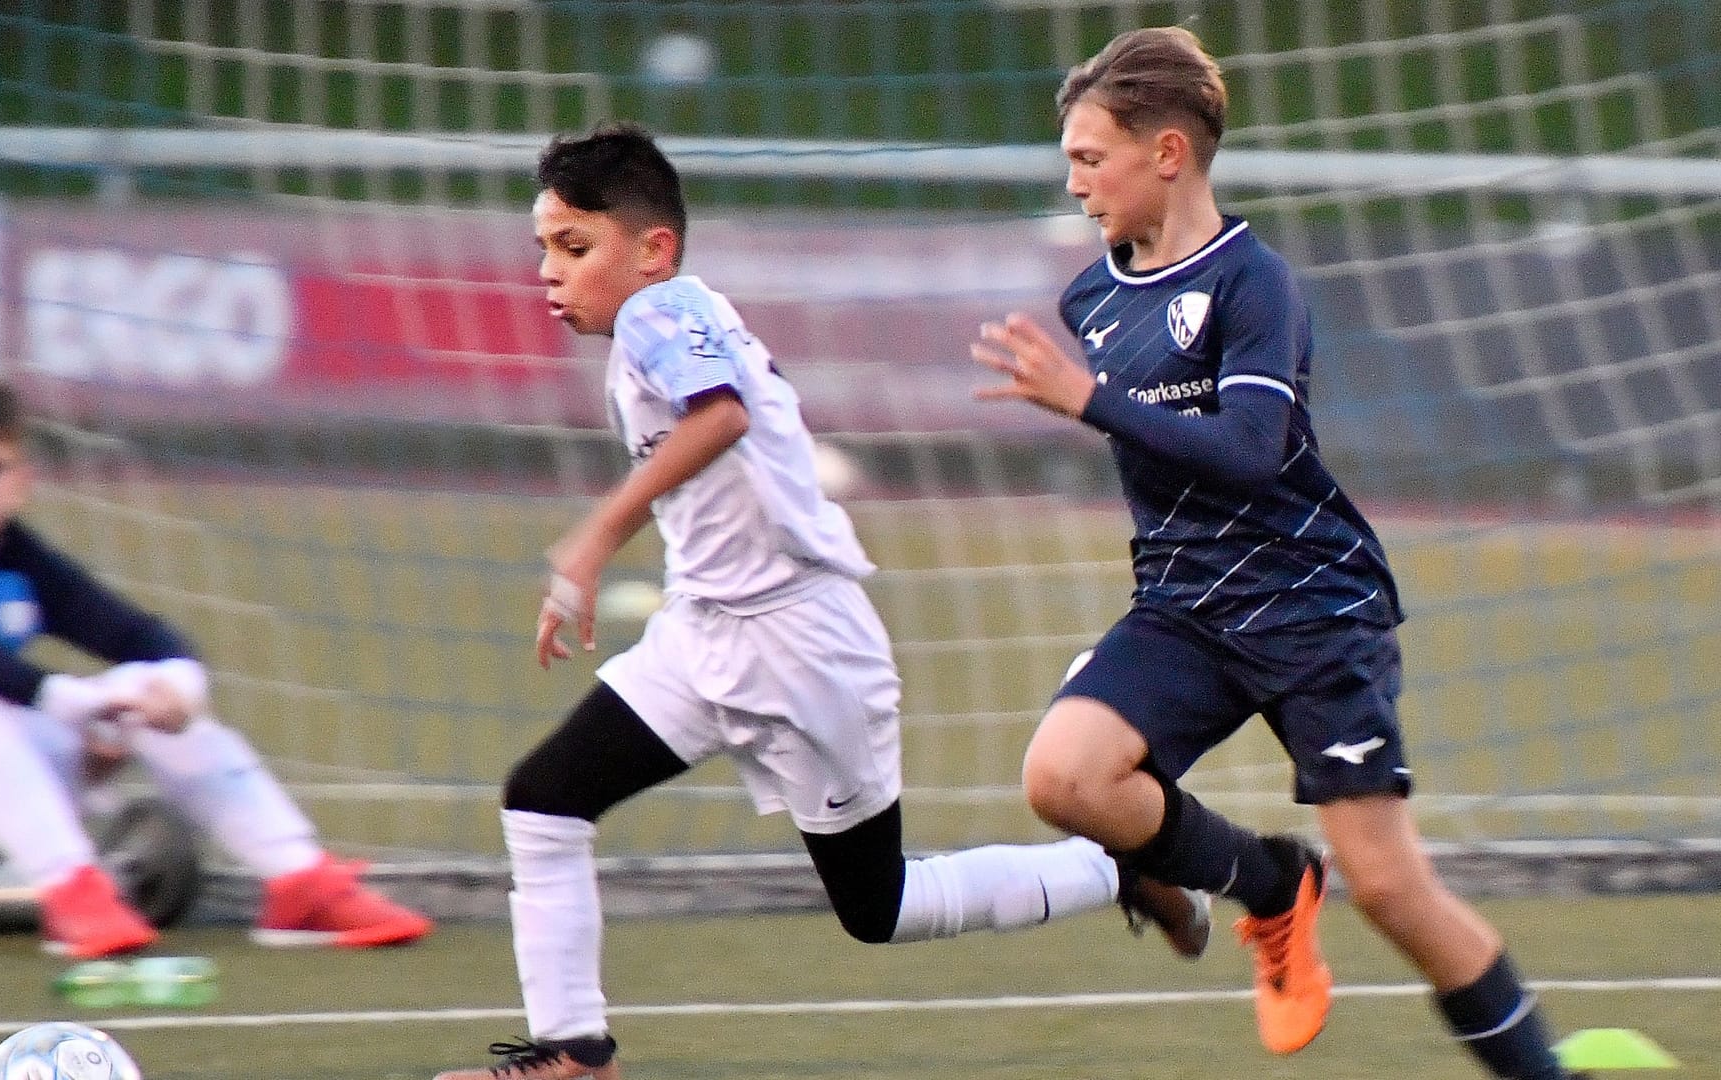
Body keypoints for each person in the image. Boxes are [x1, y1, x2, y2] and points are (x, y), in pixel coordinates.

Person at [431, 122, 1211, 1080]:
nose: (549, 271)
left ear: (653, 249)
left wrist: (593, 539)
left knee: (876, 907)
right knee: (546, 798)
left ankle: (1122, 867)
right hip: (708, 634)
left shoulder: (656, 313)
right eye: (544, 248)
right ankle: (573, 1054)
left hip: (799, 649)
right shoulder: (679, 311)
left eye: (573, 247)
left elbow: (722, 415)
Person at [969, 26, 1586, 1080]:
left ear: (1167, 153)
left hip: (1312, 608)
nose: (1074, 184)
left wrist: (1091, 401)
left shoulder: (1257, 284)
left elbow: (1253, 452)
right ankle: (1267, 884)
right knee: (1064, 777)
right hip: (1184, 607)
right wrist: (1098, 397)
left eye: (1089, 157)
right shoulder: (1093, 301)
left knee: (1392, 889)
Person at [0, 374, 433, 959]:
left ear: (21, 483)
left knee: (137, 692)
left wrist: (176, 691)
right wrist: (62, 701)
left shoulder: (14, 557)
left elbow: (144, 635)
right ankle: (75, 895)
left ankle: (298, 882)